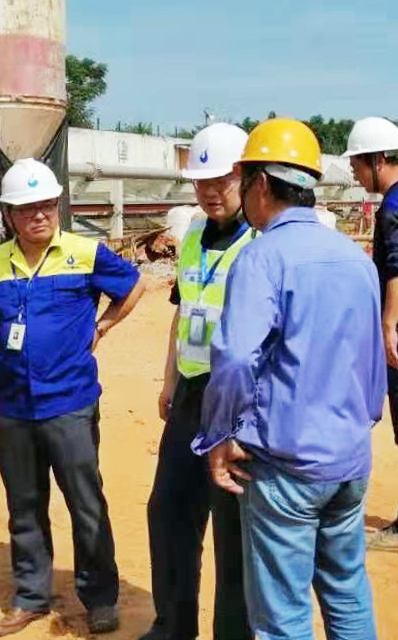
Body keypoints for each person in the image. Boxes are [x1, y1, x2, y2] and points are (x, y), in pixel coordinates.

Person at [192, 118, 387, 640]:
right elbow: (372, 359)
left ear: (259, 184)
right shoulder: (354, 258)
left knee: (283, 618)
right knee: (347, 592)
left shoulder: (262, 256)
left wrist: (220, 433)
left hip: (287, 467)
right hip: (349, 459)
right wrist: (360, 423)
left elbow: (235, 357)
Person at [0, 158, 145, 637]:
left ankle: (100, 598)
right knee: (24, 506)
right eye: (27, 208)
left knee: (86, 504)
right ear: (9, 215)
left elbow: (134, 285)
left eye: (46, 205)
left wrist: (103, 327)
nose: (39, 215)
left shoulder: (84, 253)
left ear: (58, 206)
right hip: (15, 410)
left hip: (70, 404)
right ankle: (30, 596)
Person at [140, 123, 254, 640]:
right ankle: (173, 627)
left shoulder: (261, 240)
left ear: (246, 176)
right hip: (190, 394)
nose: (209, 191)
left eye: (220, 180)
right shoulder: (191, 235)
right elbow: (184, 310)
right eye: (200, 181)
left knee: (233, 530)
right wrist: (169, 380)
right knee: (169, 513)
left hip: (237, 402)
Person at [343, 117, 398, 549]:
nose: (357, 176)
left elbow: (396, 265)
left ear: (378, 160)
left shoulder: (393, 207)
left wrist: (389, 323)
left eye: (358, 166)